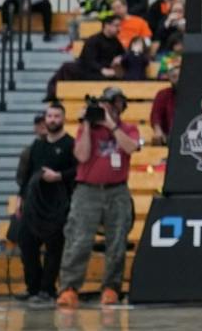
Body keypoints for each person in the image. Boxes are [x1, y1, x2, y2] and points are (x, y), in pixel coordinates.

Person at [55, 88, 140, 308]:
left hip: (117, 190)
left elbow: (131, 148)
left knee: (117, 241)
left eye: (114, 104)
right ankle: (69, 288)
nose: (110, 108)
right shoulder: (87, 130)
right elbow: (81, 156)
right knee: (79, 241)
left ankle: (112, 287)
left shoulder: (128, 129)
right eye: (107, 104)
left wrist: (111, 126)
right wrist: (86, 123)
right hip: (87, 190)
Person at [14, 101, 76, 303]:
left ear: (63, 119)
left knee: (54, 249)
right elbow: (28, 174)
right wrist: (20, 198)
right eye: (49, 116)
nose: (52, 120)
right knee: (27, 244)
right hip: (34, 205)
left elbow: (78, 172)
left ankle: (47, 290)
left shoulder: (70, 144)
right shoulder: (37, 145)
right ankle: (33, 287)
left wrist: (59, 176)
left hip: (59, 206)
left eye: (57, 116)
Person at [149, 63, 179, 145]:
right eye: (174, 76)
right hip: (168, 136)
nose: (177, 79)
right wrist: (158, 131)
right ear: (169, 78)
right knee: (157, 139)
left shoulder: (193, 94)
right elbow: (156, 115)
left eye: (179, 76)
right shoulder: (163, 94)